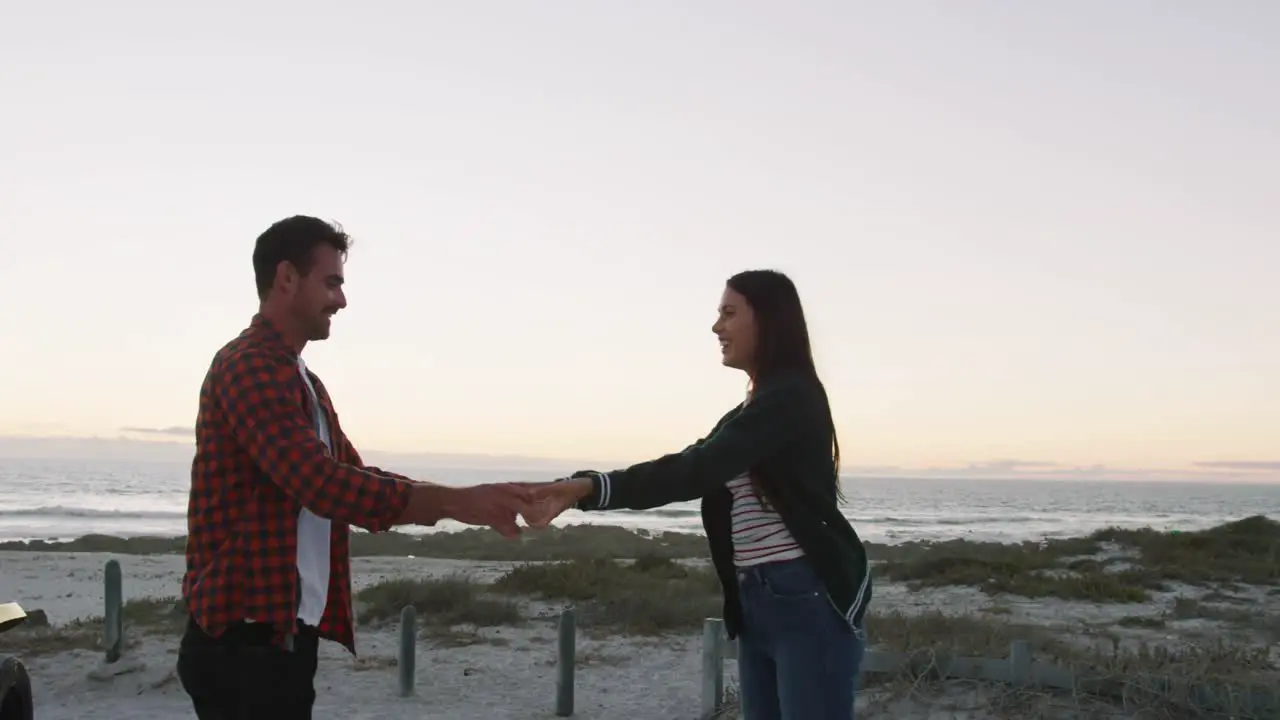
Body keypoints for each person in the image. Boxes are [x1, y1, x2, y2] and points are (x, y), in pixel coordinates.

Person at [177, 216, 536, 719]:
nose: (341, 301)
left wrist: (472, 498)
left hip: (280, 639)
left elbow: (359, 480)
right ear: (286, 278)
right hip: (241, 642)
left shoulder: (304, 381)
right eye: (331, 282)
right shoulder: (248, 365)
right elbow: (322, 486)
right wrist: (459, 501)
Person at [527, 269, 872, 720]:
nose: (716, 327)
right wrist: (584, 489)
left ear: (767, 320)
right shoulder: (749, 411)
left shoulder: (792, 397)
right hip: (758, 600)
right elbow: (697, 460)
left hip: (804, 598)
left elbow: (696, 469)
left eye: (729, 314)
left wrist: (589, 488)